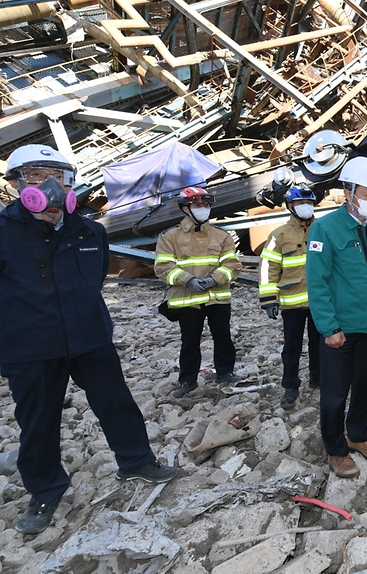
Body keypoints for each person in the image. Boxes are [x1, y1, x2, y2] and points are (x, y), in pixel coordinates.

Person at [0, 145, 177, 535]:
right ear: (15, 184)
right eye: (35, 175)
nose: (49, 184)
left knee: (116, 403)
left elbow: (93, 281)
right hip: (31, 346)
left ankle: (136, 461)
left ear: (70, 181)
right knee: (37, 421)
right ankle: (45, 490)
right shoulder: (3, 231)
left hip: (90, 337)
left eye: (58, 174)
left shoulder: (90, 231)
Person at [306, 156, 367, 478]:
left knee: (365, 386)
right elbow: (317, 281)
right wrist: (328, 327)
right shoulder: (325, 228)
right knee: (335, 393)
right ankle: (336, 449)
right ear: (349, 193)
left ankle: (357, 435)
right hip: (340, 329)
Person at [155, 186, 242, 398]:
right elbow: (163, 267)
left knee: (223, 337)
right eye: (197, 205)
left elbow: (233, 264)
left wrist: (216, 279)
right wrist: (188, 280)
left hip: (217, 298)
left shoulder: (222, 236)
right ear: (185, 208)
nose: (202, 209)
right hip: (187, 298)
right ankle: (187, 380)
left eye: (205, 205)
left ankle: (226, 372)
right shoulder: (170, 237)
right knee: (190, 341)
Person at [259, 183, 321, 409]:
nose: (306, 207)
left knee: (320, 343)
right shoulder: (279, 235)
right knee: (292, 347)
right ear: (290, 206)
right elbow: (268, 268)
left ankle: (318, 377)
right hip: (292, 303)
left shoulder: (322, 230)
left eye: (309, 202)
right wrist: (268, 299)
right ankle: (290, 386)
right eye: (300, 203)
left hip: (319, 302)